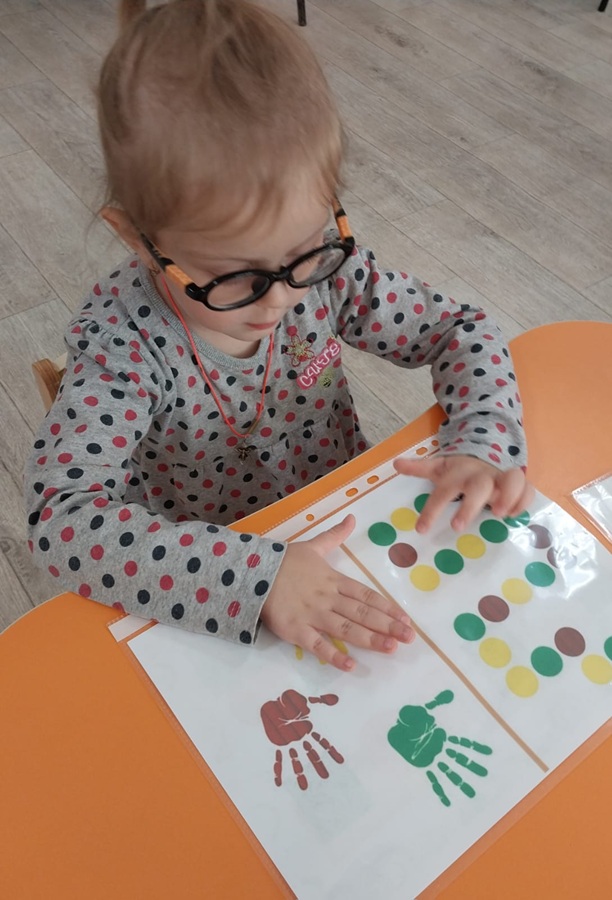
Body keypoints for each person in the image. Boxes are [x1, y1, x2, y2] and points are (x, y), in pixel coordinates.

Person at [24, 0, 532, 671]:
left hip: (340, 525)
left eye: (305, 250)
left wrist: (482, 437)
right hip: (213, 570)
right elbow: (61, 518)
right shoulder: (123, 344)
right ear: (139, 240)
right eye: (235, 276)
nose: (283, 298)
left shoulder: (325, 273)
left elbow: (460, 328)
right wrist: (256, 578)